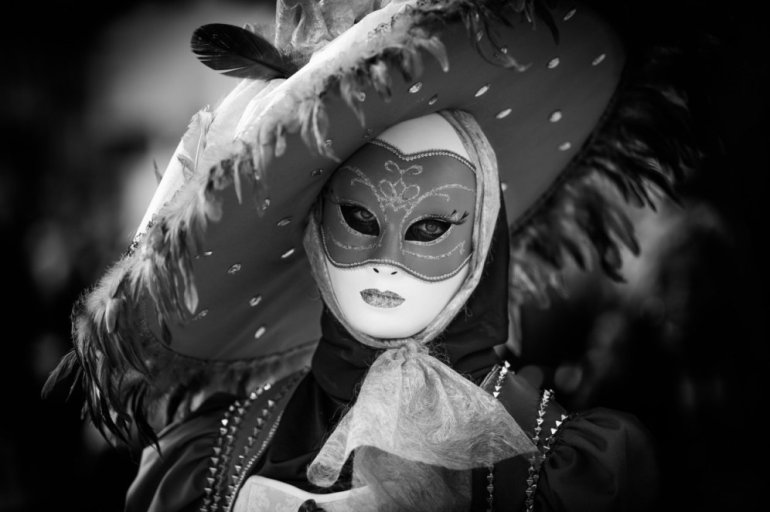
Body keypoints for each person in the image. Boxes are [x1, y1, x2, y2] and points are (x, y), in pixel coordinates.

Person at [44, 0, 699, 510]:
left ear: (482, 238)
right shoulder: (216, 459)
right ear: (314, 229)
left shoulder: (561, 466)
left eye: (430, 227)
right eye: (359, 219)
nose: (386, 261)